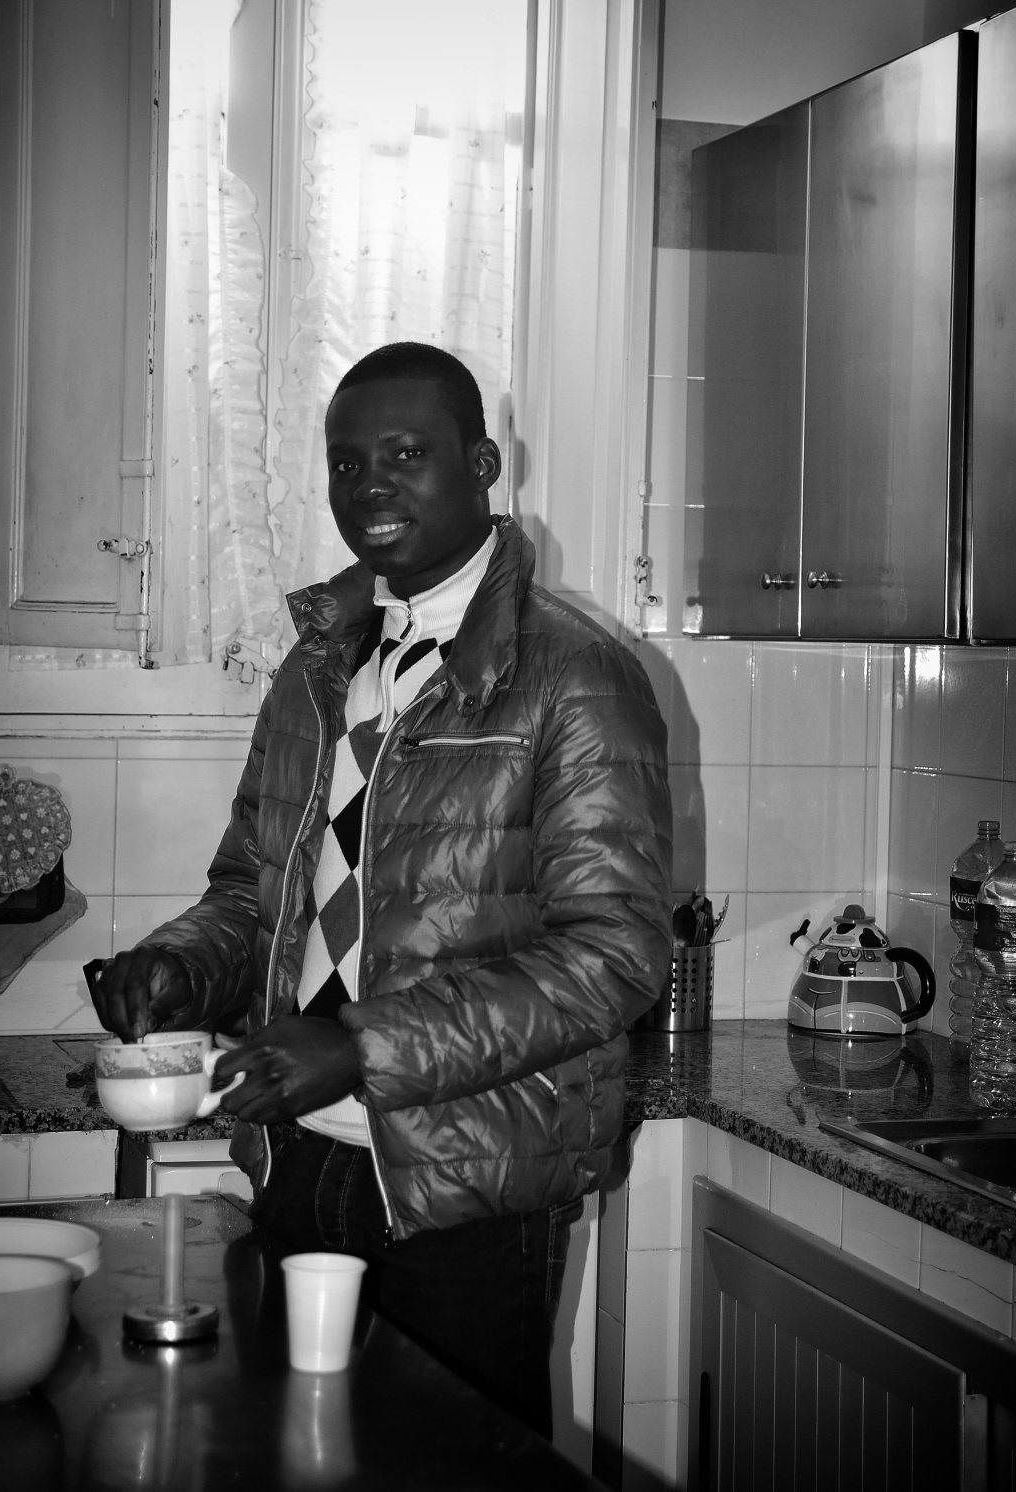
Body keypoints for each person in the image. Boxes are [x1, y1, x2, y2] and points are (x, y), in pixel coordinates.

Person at [92, 342, 673, 1435]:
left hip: (467, 1189)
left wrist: (363, 1047)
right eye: (347, 463)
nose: (370, 486)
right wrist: (179, 966)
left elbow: (613, 957)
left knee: (450, 1467)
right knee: (293, 1453)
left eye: (407, 454)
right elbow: (253, 891)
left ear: (484, 465)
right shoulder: (319, 669)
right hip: (298, 1160)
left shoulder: (576, 675)